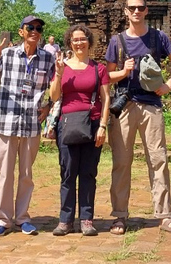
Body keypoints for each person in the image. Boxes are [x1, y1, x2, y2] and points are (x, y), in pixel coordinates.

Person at [105, 0, 171, 236]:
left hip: (151, 105)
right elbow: (107, 77)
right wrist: (123, 71)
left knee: (158, 160)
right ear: (126, 12)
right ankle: (119, 215)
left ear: (146, 10)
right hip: (125, 105)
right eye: (132, 8)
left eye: (140, 7)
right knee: (121, 162)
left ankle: (165, 216)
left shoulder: (158, 37)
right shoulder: (116, 41)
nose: (136, 12)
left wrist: (169, 85)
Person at [0, 15, 56, 236]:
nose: (35, 31)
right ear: (21, 31)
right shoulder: (6, 54)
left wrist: (50, 106)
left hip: (32, 122)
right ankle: (3, 219)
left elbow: (56, 86)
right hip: (7, 121)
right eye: (30, 27)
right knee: (5, 173)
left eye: (39, 28)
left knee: (26, 173)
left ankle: (22, 217)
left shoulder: (47, 58)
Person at [49, 25, 110, 236]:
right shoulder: (62, 66)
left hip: (92, 124)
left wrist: (103, 125)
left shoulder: (98, 68)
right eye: (75, 40)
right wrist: (58, 74)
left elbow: (106, 98)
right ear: (69, 43)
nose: (79, 43)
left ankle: (86, 219)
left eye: (82, 39)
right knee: (67, 173)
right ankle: (65, 220)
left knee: (88, 173)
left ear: (89, 42)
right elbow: (54, 96)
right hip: (67, 124)